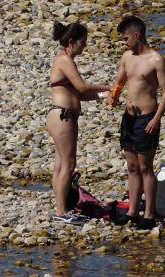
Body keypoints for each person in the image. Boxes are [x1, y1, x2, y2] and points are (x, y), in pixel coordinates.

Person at [108, 15, 165, 229]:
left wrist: (156, 118)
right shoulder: (127, 57)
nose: (124, 42)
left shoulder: (156, 60)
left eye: (126, 38)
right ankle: (133, 211)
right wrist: (114, 96)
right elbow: (119, 81)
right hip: (129, 117)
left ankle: (149, 213)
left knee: (146, 167)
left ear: (137, 35)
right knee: (132, 166)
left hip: (146, 118)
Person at [47, 22, 111, 225]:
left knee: (60, 164)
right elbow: (82, 87)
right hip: (63, 116)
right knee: (68, 164)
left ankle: (62, 207)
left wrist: (103, 95)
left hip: (62, 115)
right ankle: (62, 210)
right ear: (72, 42)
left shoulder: (65, 60)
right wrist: (110, 85)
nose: (85, 46)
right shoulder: (64, 59)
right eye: (83, 42)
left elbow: (79, 95)